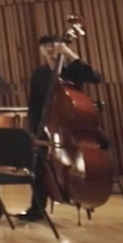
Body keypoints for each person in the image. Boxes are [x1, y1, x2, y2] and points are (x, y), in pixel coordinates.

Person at [25, 34, 104, 221]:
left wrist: (69, 53)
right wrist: (35, 131)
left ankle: (83, 195)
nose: (50, 49)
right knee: (39, 165)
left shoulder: (71, 71)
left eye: (53, 46)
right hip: (47, 129)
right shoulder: (39, 74)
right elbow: (35, 104)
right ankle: (36, 209)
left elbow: (94, 77)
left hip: (73, 129)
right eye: (46, 47)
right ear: (41, 50)